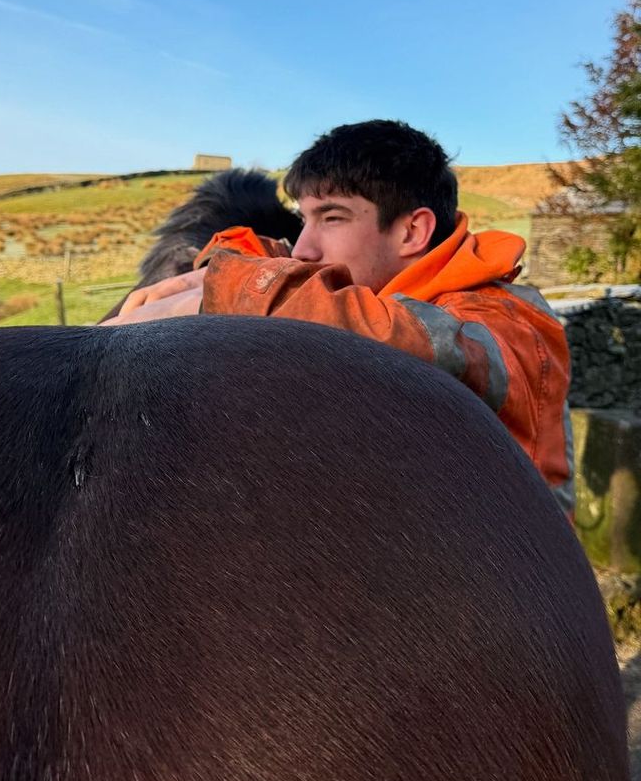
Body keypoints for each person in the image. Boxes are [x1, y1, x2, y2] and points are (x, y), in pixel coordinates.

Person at [103, 120, 574, 514]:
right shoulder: (371, 283)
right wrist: (208, 274)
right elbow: (283, 255)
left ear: (412, 231)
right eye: (304, 219)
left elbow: (418, 340)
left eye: (331, 218)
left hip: (511, 587)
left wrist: (229, 293)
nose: (306, 247)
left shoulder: (508, 319)